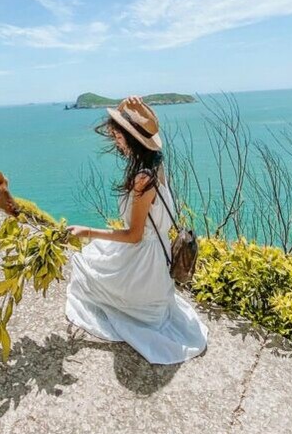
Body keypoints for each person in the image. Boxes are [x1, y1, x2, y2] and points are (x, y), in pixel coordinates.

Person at [66, 96, 208, 364]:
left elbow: (134, 236)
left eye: (118, 135)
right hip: (158, 259)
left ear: (132, 140)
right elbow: (152, 131)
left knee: (86, 271)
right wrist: (133, 108)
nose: (115, 141)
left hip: (143, 264)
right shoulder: (157, 164)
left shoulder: (143, 179)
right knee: (94, 259)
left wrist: (87, 230)